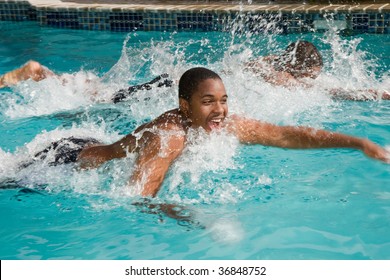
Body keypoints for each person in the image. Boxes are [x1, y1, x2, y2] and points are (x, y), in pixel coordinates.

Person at [73, 67, 389, 197]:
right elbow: (136, 197)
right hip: (65, 160)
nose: (220, 111)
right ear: (185, 106)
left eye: (223, 100)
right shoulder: (166, 138)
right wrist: (183, 216)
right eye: (208, 102)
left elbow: (287, 135)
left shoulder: (227, 124)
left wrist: (358, 142)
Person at [244, 40, 390, 100]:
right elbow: (334, 92)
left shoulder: (270, 63)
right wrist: (378, 94)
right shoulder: (285, 79)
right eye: (311, 75)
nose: (314, 77)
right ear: (295, 67)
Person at [0, 60, 173, 103]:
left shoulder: (56, 84)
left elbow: (33, 67)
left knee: (122, 96)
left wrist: (2, 82)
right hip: (93, 90)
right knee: (131, 93)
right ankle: (166, 81)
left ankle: (166, 82)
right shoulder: (57, 83)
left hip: (94, 94)